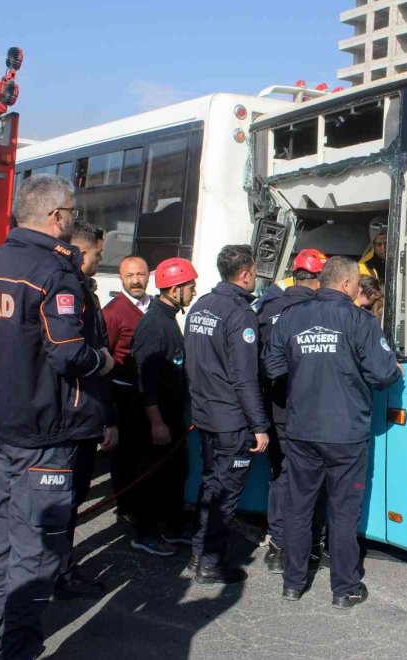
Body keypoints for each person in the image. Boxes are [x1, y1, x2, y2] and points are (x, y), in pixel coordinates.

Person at [0, 174, 115, 660]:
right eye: (70, 212)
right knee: (35, 553)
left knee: (2, 545)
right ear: (56, 217)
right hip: (43, 434)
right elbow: (69, 353)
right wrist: (104, 361)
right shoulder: (54, 273)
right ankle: (17, 649)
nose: (71, 220)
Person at [263, 256, 402, 608]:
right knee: (342, 513)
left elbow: (273, 366)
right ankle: (345, 589)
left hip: (301, 430)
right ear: (345, 285)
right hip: (345, 433)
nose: (359, 289)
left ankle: (293, 584)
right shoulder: (360, 320)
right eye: (357, 284)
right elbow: (384, 374)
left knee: (298, 509)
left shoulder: (291, 317)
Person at [184, 245, 270, 584]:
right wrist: (259, 426)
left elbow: (192, 364)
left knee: (210, 487)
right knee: (225, 494)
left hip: (205, 416)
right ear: (246, 274)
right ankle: (210, 564)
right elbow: (246, 377)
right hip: (232, 422)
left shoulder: (200, 306)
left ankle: (197, 555)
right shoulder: (240, 314)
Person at [54, 220, 118, 599]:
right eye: (97, 253)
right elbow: (73, 355)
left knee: (70, 500)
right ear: (81, 252)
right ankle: (58, 572)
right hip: (72, 417)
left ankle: (61, 566)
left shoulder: (85, 291)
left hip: (83, 413)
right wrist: (102, 361)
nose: (100, 259)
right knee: (64, 500)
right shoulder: (69, 292)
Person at [256, 248, 327, 574]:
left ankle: (277, 546)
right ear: (317, 280)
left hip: (274, 409)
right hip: (308, 412)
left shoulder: (267, 308)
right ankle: (308, 547)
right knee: (309, 480)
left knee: (280, 477)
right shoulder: (316, 311)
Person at [130, 257, 198, 557]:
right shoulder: (154, 325)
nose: (194, 292)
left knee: (175, 475)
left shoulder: (168, 318)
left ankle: (172, 526)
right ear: (174, 289)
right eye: (190, 287)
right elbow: (144, 379)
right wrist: (156, 422)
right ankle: (145, 532)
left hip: (173, 417)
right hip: (157, 420)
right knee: (152, 478)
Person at [102, 255, 151, 527]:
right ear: (121, 278)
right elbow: (105, 359)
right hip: (123, 398)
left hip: (148, 397)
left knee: (146, 456)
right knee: (125, 459)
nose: (136, 280)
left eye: (140, 274)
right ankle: (125, 507)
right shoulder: (112, 312)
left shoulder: (153, 307)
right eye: (130, 275)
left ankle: (144, 504)